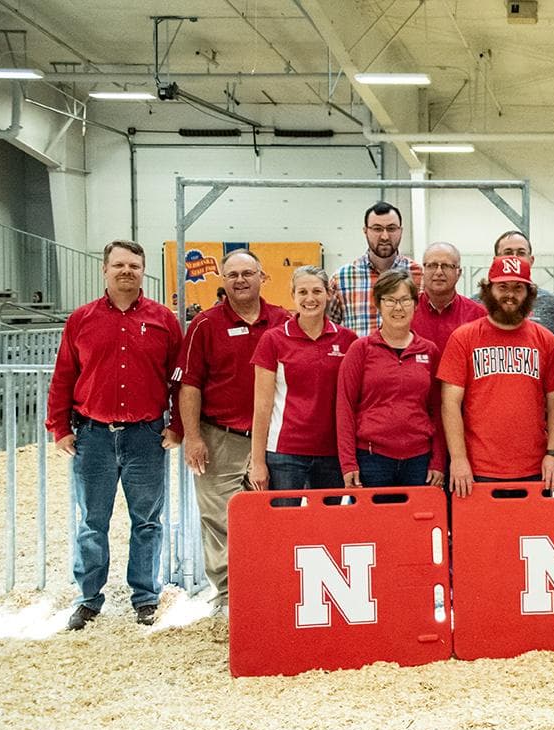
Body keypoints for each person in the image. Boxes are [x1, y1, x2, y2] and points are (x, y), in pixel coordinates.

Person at [46, 240, 182, 630]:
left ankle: (145, 596)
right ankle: (88, 599)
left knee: (147, 522)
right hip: (94, 437)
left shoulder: (163, 320)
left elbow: (178, 377)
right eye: (119, 264)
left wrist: (178, 426)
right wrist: (59, 427)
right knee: (92, 522)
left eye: (134, 265)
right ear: (105, 269)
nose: (127, 271)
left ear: (143, 271)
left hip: (146, 436)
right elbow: (64, 376)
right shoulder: (81, 320)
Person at [176, 248, 288, 612]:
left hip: (271, 439)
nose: (241, 280)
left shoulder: (284, 321)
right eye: (233, 274)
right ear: (223, 281)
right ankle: (227, 598)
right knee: (219, 522)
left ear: (262, 277)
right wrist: (193, 437)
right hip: (218, 437)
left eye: (247, 273)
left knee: (270, 519)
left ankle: (266, 593)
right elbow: (189, 384)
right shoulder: (205, 325)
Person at [439, 256, 554, 497]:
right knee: (481, 535)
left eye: (518, 288)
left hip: (533, 467)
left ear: (529, 292)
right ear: (488, 289)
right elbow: (450, 404)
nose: (510, 295)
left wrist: (553, 453)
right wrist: (458, 459)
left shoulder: (547, 340)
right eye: (502, 287)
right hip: (478, 468)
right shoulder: (463, 338)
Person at [250, 266, 358, 492]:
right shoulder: (273, 340)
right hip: (285, 455)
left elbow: (354, 401)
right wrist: (258, 462)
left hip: (332, 454)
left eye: (317, 291)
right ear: (293, 295)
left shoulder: (348, 340)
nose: (310, 299)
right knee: (286, 526)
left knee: (326, 527)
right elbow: (262, 406)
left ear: (329, 294)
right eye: (303, 292)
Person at [337, 271, 446, 489]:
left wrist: (438, 461)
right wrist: (348, 463)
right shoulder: (361, 349)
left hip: (419, 461)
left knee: (417, 523)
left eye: (405, 300)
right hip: (372, 459)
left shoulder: (429, 351)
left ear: (415, 304)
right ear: (378, 304)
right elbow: (345, 407)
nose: (398, 307)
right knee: (375, 524)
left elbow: (438, 409)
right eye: (390, 300)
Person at [328, 201, 423, 335]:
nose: (385, 236)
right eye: (377, 229)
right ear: (365, 231)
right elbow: (327, 331)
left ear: (401, 231)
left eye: (391, 229)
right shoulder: (342, 279)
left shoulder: (419, 276)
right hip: (359, 356)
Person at [491, 229, 554, 344]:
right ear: (495, 260)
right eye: (507, 253)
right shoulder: (477, 304)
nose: (514, 258)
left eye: (521, 253)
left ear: (531, 260)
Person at [410, 241, 484, 350]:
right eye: (432, 265)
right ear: (423, 271)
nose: (439, 272)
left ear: (458, 273)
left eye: (446, 266)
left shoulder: (479, 315)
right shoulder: (407, 311)